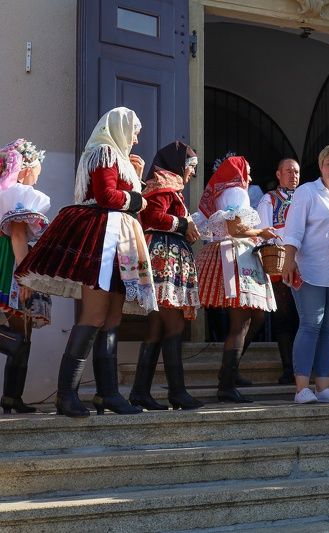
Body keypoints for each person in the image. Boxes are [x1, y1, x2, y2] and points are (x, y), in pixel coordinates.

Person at [16, 107, 156, 417]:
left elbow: (123, 197)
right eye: (134, 130)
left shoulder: (119, 158)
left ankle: (108, 395)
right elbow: (107, 196)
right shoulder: (104, 151)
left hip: (121, 240)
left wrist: (137, 189)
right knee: (94, 315)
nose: (136, 137)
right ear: (119, 127)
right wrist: (139, 199)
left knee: (112, 319)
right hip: (103, 236)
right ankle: (66, 395)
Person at [194, 155, 277, 403]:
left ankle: (229, 371)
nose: (249, 177)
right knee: (242, 320)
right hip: (236, 256)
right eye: (247, 172)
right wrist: (261, 232)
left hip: (230, 254)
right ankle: (227, 384)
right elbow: (234, 229)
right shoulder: (237, 192)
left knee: (255, 316)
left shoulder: (223, 191)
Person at [128, 142, 204, 411]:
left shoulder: (170, 187)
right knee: (173, 325)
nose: (192, 173)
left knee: (158, 327)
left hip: (168, 259)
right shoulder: (162, 185)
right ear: (177, 164)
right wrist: (183, 224)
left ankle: (140, 392)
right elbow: (152, 217)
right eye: (190, 167)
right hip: (163, 260)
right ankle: (177, 392)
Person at [282, 145, 329, 404]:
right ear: (321, 166)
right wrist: (289, 260)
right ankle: (302, 388)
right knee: (311, 325)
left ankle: (323, 387)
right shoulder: (307, 192)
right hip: (310, 269)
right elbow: (293, 229)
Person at [0, 140, 49, 413]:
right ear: (25, 167)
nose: (39, 173)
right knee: (20, 335)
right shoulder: (17, 193)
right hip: (8, 259)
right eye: (37, 168)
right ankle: (12, 397)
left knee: (23, 333)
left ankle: (12, 397)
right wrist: (24, 275)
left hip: (10, 256)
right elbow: (18, 235)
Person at [257, 158, 301, 384]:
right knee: (285, 318)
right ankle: (288, 369)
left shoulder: (306, 197)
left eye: (296, 171)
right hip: (281, 265)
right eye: (288, 171)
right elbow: (265, 233)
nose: (293, 175)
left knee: (305, 319)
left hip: (307, 266)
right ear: (278, 174)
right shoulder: (269, 199)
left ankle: (303, 368)